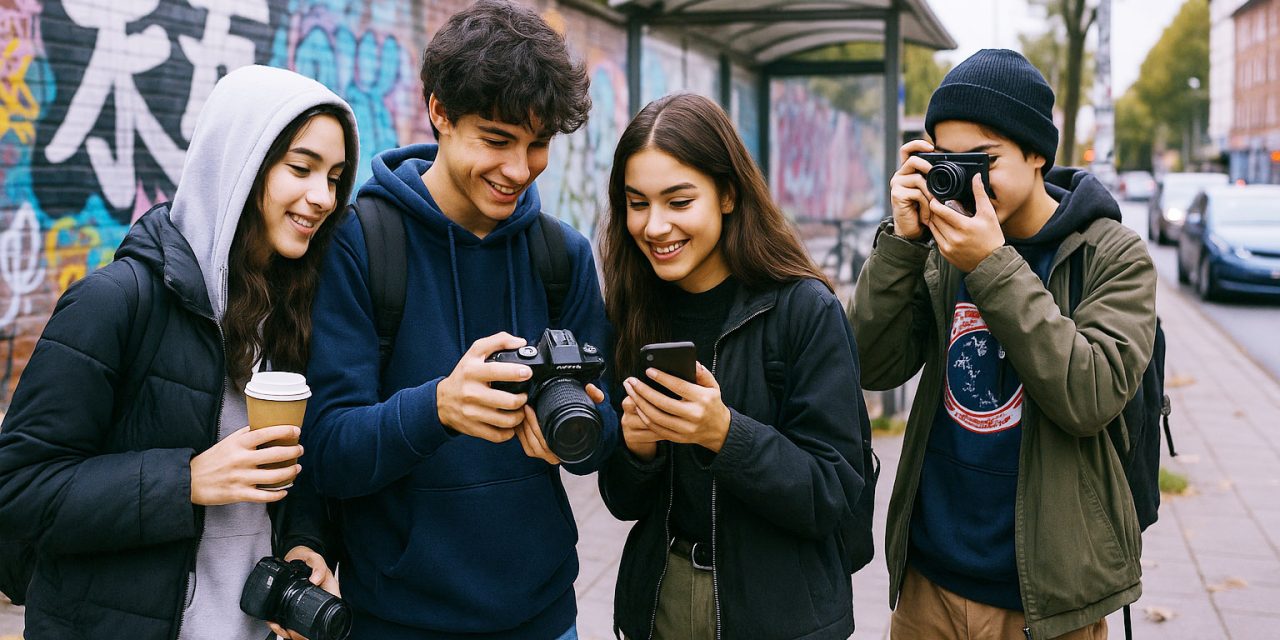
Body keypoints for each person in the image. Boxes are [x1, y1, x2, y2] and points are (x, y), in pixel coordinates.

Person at [0, 64, 358, 640]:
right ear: (238, 164)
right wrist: (186, 481)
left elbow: (297, 475)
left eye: (336, 177)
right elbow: (16, 489)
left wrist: (304, 542)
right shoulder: (115, 302)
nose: (323, 198)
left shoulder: (296, 315)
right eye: (301, 168)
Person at [298, 1, 616, 638]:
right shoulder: (361, 245)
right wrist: (437, 408)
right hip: (396, 620)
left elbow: (598, 439)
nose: (519, 170)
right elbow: (327, 450)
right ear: (439, 111)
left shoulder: (563, 256)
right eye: (497, 140)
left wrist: (576, 433)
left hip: (545, 618)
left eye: (538, 145)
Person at [850, 49, 1157, 640]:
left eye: (982, 159)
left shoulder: (1111, 255)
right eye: (946, 158)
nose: (963, 177)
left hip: (1048, 596)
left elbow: (1089, 395)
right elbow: (870, 363)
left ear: (1037, 152)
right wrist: (901, 247)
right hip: (928, 579)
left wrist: (991, 264)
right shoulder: (938, 247)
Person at [596, 92, 872, 640]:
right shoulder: (635, 306)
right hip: (663, 602)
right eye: (637, 203)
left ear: (726, 194)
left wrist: (725, 434)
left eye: (678, 202)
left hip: (780, 614)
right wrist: (638, 451)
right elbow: (622, 501)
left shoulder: (803, 308)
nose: (654, 227)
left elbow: (836, 494)